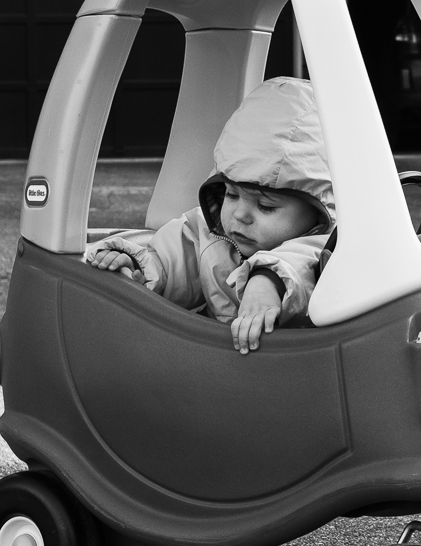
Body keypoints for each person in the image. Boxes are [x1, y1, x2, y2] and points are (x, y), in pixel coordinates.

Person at [84, 76, 333, 354]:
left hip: (297, 372)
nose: (240, 215)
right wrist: (139, 265)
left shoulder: (331, 247)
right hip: (217, 367)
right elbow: (171, 258)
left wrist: (268, 281)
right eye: (231, 194)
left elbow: (303, 263)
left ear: (317, 212)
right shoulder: (209, 232)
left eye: (265, 207)